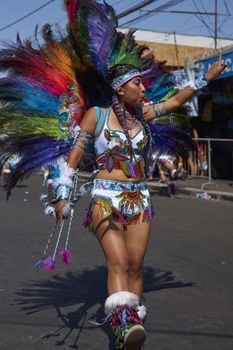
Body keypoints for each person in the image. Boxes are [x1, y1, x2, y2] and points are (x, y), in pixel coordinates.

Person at [0, 1, 226, 349]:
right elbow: (73, 159)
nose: (144, 89)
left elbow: (175, 101)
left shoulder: (144, 116)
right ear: (121, 89)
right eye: (138, 84)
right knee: (118, 260)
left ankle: (131, 321)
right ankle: (122, 323)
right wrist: (61, 197)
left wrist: (203, 79)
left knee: (135, 267)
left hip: (140, 199)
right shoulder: (96, 115)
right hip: (105, 197)